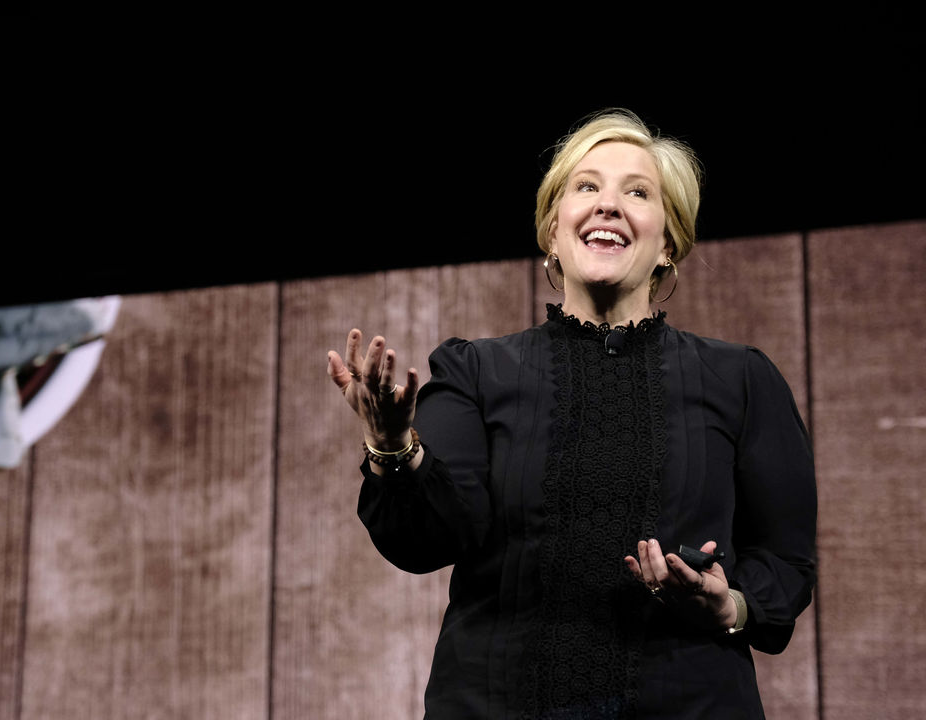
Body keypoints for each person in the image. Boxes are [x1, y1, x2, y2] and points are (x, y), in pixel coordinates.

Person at [325, 108, 817, 719]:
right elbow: (425, 541)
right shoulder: (475, 371)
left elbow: (788, 562)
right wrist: (393, 446)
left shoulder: (741, 379)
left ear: (668, 242)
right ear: (553, 231)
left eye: (637, 192)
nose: (607, 205)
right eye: (586, 187)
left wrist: (729, 606)